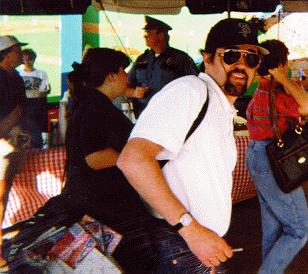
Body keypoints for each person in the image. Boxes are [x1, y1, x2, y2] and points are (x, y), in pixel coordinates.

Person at [117, 18, 269, 273]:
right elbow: (132, 159)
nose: (242, 65)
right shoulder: (189, 91)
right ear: (206, 57)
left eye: (251, 59)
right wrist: (192, 230)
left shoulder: (220, 106)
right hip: (180, 245)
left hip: (195, 247)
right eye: (231, 55)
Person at [21, 48, 157, 273]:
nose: (127, 76)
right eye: (123, 70)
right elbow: (94, 158)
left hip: (100, 203)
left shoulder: (92, 104)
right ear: (111, 76)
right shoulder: (97, 108)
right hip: (104, 207)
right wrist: (136, 156)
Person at [245, 39, 308, 274]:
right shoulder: (278, 95)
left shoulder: (261, 90)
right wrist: (282, 78)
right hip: (275, 162)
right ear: (281, 65)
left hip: (257, 156)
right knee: (300, 229)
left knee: (273, 227)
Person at [128, 15, 199, 117]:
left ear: (161, 35)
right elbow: (128, 82)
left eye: (148, 33)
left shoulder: (180, 58)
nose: (145, 36)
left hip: (169, 117)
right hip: (143, 116)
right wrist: (134, 92)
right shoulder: (142, 59)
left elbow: (196, 84)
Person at [0, 35, 29, 268]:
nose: (21, 53)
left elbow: (22, 109)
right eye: (18, 49)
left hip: (13, 139)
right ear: (7, 53)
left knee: (6, 190)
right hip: (2, 140)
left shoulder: (16, 77)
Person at [19, 48, 50, 148]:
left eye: (30, 59)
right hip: (24, 106)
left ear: (34, 59)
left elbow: (43, 90)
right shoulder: (18, 73)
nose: (28, 61)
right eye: (25, 59)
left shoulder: (41, 73)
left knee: (37, 131)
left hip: (37, 105)